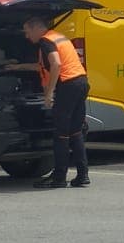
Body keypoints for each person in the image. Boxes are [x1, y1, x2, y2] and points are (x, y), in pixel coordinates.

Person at [11, 16, 91, 188]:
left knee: (61, 134)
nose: (26, 36)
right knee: (76, 131)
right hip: (81, 82)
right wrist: (17, 67)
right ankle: (83, 175)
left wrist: (49, 93)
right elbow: (43, 66)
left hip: (67, 85)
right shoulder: (58, 36)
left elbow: (56, 64)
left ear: (35, 29)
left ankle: (59, 178)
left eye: (27, 32)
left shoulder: (46, 41)